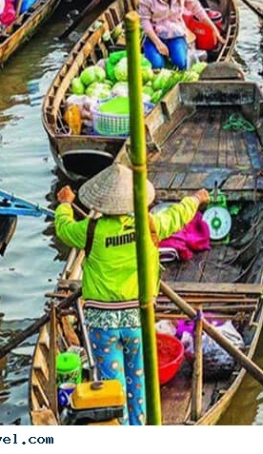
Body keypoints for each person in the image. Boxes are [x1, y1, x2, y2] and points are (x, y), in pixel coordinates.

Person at [54, 166, 209, 425]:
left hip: (102, 324)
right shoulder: (149, 224)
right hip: (137, 319)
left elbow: (64, 228)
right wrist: (196, 198)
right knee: (138, 381)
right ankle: (139, 427)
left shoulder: (90, 230)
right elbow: (177, 215)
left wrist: (65, 205)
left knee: (112, 385)